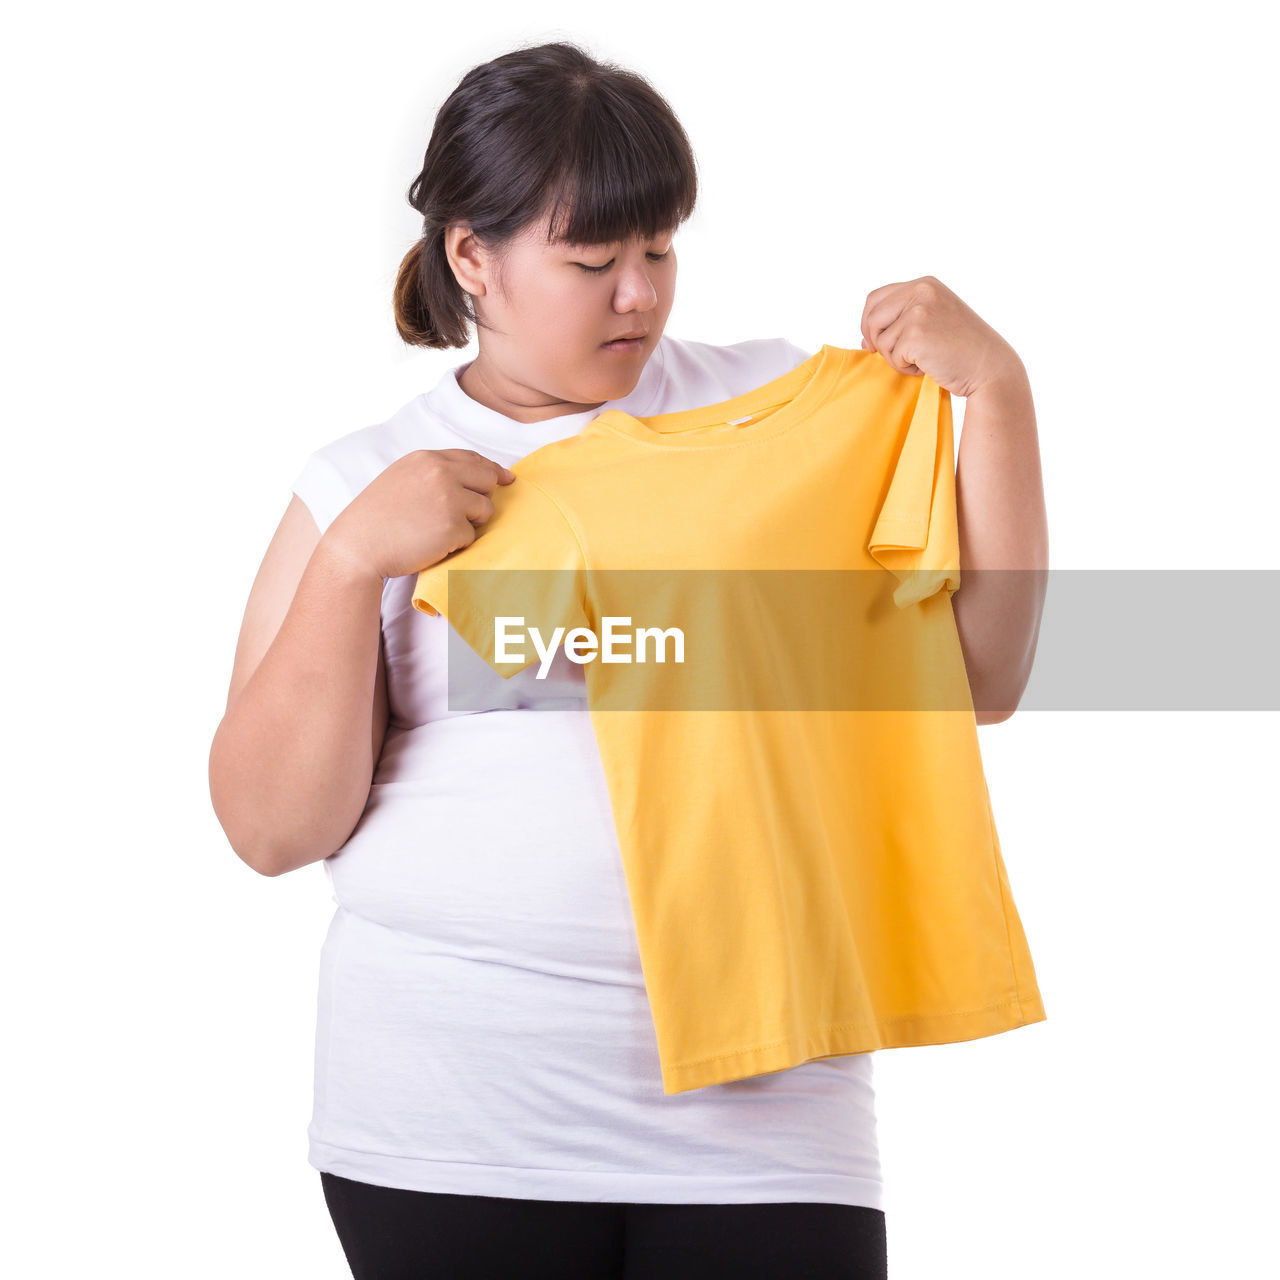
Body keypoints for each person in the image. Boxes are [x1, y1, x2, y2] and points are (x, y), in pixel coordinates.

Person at [210, 39, 898, 1280]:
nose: (639, 296)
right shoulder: (362, 485)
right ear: (471, 256)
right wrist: (354, 559)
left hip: (768, 1097)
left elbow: (975, 668)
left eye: (658, 251)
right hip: (453, 1112)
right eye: (593, 262)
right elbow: (268, 828)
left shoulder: (778, 417)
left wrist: (996, 395)